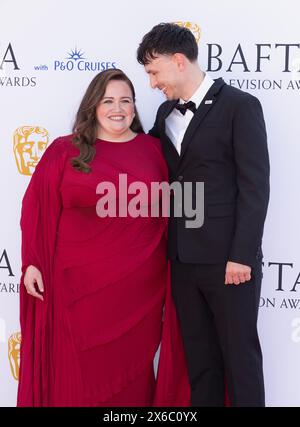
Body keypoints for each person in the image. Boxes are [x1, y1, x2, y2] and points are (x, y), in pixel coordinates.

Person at [17, 68, 190, 406]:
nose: (118, 108)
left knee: (131, 378)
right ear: (93, 106)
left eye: (126, 100)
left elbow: (178, 211)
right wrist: (32, 262)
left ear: (135, 107)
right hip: (74, 289)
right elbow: (36, 207)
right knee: (76, 376)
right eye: (108, 100)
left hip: (138, 295)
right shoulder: (63, 151)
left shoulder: (155, 150)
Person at [137, 23, 270, 407]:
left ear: (179, 61)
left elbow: (255, 187)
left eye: (153, 71)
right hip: (182, 261)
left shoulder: (239, 106)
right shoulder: (164, 113)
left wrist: (242, 256)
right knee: (201, 364)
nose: (151, 83)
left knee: (240, 361)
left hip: (230, 263)